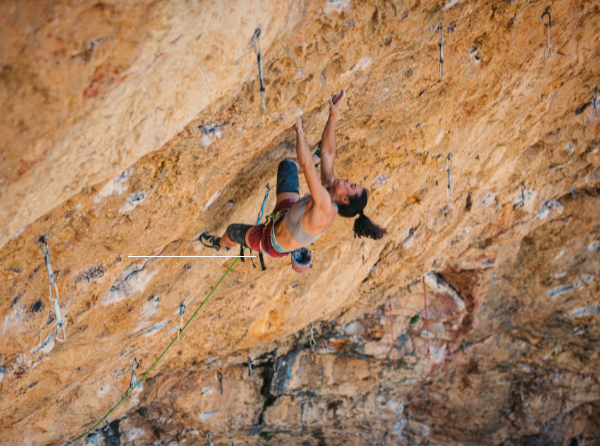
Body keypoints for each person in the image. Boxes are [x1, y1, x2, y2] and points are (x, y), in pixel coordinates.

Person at [200, 89, 385, 262]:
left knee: (233, 231)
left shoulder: (325, 207)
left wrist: (300, 131)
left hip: (270, 241)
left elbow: (305, 166)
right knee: (288, 166)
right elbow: (328, 152)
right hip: (286, 214)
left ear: (344, 198)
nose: (349, 180)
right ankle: (315, 158)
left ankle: (221, 245)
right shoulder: (330, 189)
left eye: (352, 186)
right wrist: (333, 115)